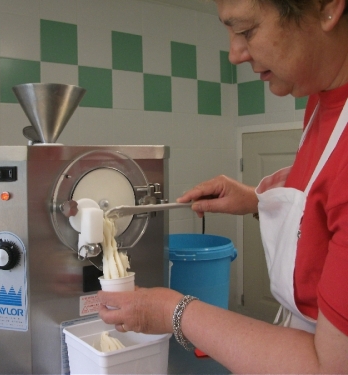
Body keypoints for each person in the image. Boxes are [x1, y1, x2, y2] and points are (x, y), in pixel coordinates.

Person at [97, 0, 348, 373]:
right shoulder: (318, 98)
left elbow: (330, 367)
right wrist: (254, 200)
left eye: (247, 31)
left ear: (327, 8)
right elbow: (324, 199)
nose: (234, 54)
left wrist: (173, 311)